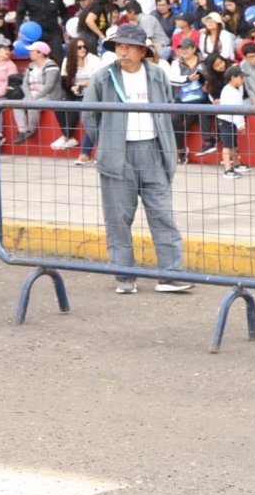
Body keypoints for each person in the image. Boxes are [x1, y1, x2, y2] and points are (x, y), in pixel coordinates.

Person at [80, 25, 191, 295]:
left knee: (163, 215)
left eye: (129, 46)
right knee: (118, 217)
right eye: (119, 46)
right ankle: (125, 275)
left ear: (143, 51)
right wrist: (107, 142)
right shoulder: (103, 78)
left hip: (153, 152)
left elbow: (167, 108)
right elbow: (88, 116)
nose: (123, 51)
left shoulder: (156, 75)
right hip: (118, 155)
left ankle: (170, 274)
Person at [12, 42, 65, 145]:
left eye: (32, 51)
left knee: (33, 105)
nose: (30, 53)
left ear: (40, 53)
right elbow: (25, 83)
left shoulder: (51, 66)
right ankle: (22, 131)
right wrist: (28, 95)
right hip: (32, 95)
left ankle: (30, 131)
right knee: (16, 105)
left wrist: (35, 97)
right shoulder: (31, 66)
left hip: (49, 97)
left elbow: (49, 86)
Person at [216, 66, 249, 179]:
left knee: (234, 143)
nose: (242, 80)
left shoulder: (237, 88)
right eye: (241, 77)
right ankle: (227, 168)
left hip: (231, 120)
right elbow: (235, 111)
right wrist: (241, 125)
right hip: (226, 121)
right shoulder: (230, 92)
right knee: (228, 145)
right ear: (233, 78)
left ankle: (237, 163)